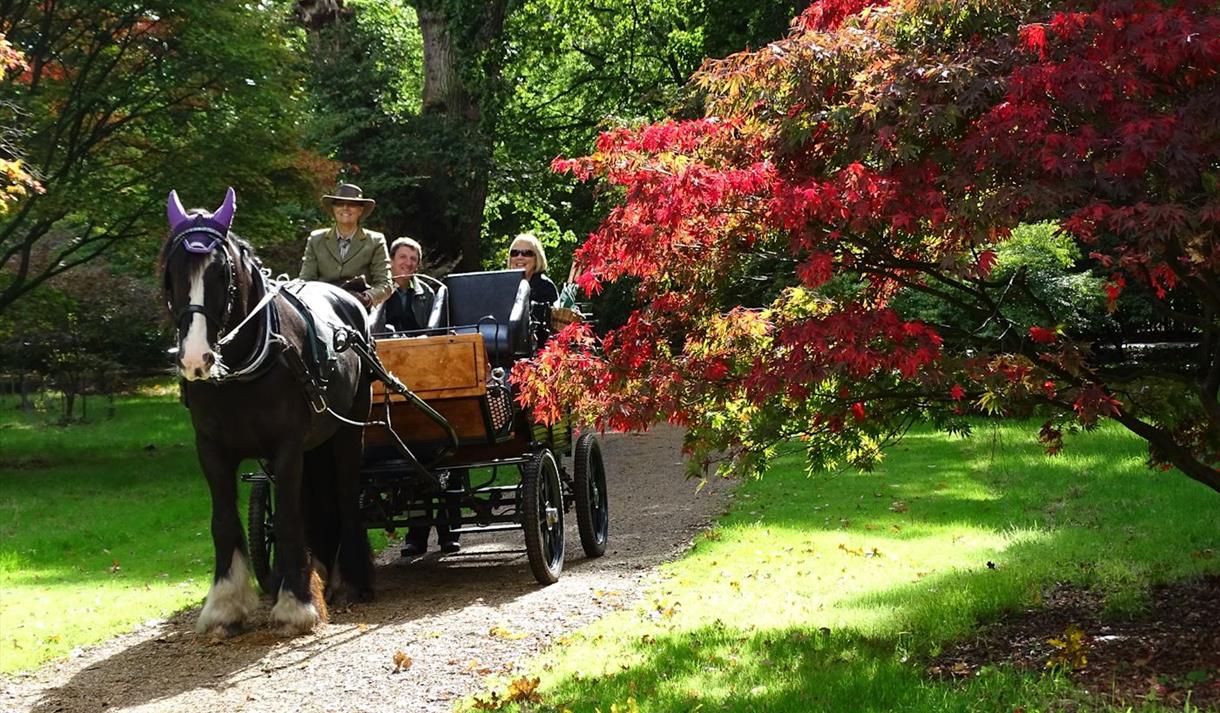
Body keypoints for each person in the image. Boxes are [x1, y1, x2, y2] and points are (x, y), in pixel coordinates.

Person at [299, 183, 393, 308]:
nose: (345, 208)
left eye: (352, 204)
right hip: (321, 305)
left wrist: (367, 298)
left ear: (360, 210)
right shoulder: (316, 239)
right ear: (333, 208)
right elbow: (306, 279)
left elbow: (385, 284)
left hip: (359, 308)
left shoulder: (375, 241)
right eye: (339, 203)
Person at [378, 236, 435, 334]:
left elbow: (433, 331)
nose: (408, 263)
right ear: (391, 260)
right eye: (403, 257)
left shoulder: (426, 293)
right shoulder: (376, 288)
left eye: (413, 259)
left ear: (417, 266)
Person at [507, 233, 558, 305]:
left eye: (527, 253)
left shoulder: (546, 287)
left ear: (537, 258)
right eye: (515, 253)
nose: (519, 257)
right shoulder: (503, 286)